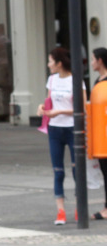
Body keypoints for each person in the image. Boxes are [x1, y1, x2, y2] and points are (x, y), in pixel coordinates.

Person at [41, 47, 79, 225]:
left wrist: (60, 111)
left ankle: (80, 207)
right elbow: (49, 101)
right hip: (55, 129)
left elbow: (82, 109)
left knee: (76, 170)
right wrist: (43, 108)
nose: (48, 65)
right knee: (58, 171)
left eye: (50, 61)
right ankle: (61, 211)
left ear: (59, 63)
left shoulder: (76, 80)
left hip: (72, 129)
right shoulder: (52, 80)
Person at [92, 47, 107, 221]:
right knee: (105, 171)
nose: (92, 62)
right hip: (102, 133)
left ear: (100, 60)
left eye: (94, 59)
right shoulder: (98, 80)